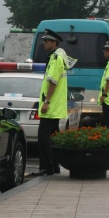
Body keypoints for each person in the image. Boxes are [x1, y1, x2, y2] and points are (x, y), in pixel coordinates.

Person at [33, 29, 71, 176]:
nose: (44, 43)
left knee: (43, 136)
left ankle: (46, 168)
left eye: (46, 41)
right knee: (53, 137)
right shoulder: (57, 57)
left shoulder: (55, 58)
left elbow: (53, 82)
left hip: (51, 105)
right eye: (44, 41)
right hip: (56, 105)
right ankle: (54, 166)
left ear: (54, 42)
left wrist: (46, 101)